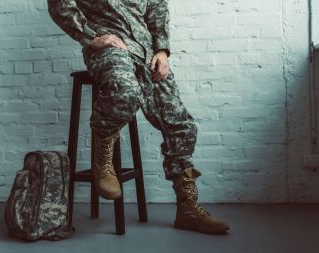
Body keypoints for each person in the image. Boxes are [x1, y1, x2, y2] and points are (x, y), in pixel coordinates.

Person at [47, 0, 230, 234]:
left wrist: (162, 50)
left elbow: (156, 6)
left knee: (182, 125)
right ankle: (102, 157)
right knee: (126, 92)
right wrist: (91, 36)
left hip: (146, 52)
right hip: (110, 50)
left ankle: (189, 210)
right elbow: (60, 4)